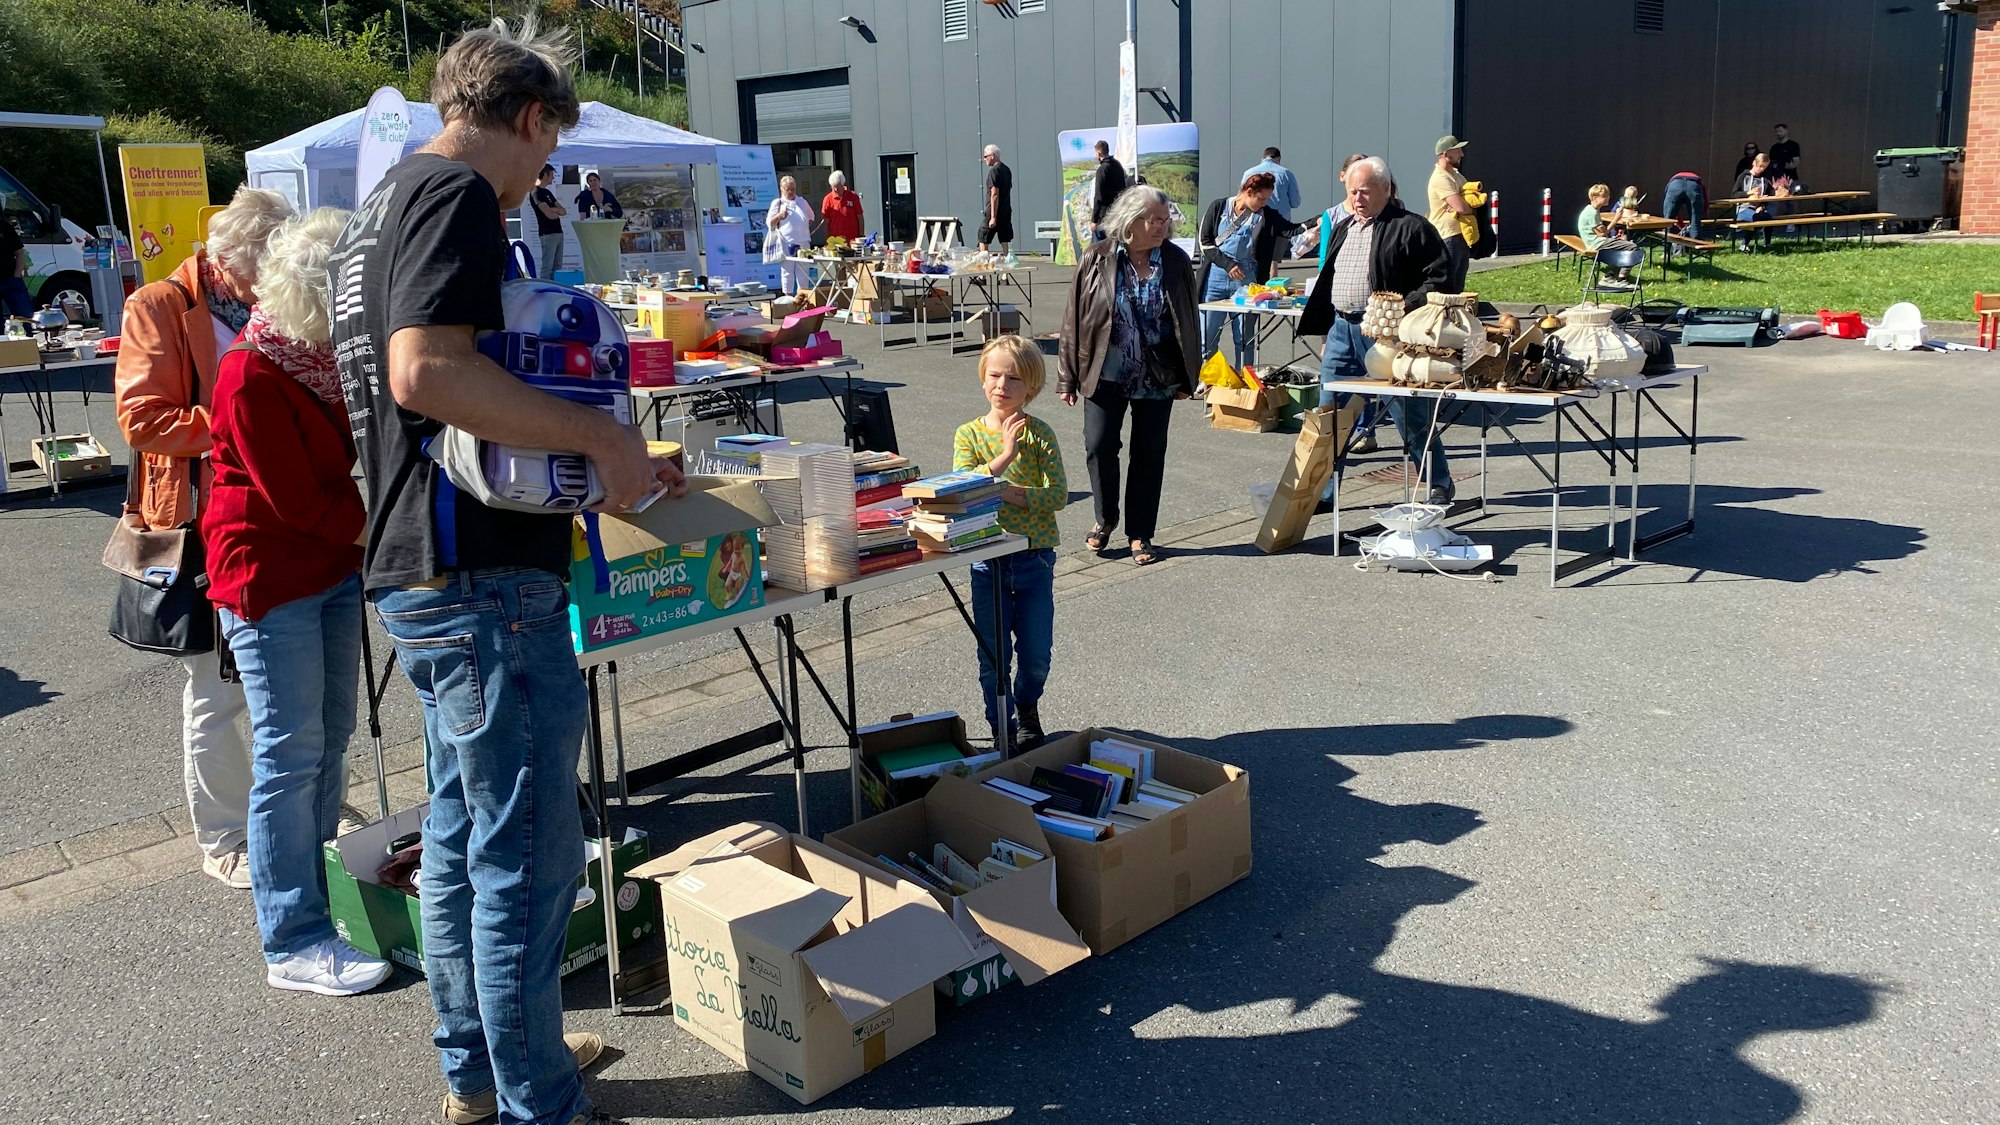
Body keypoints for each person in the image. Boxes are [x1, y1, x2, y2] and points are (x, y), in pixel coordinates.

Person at [331, 18, 681, 1125]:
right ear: (528, 118)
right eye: (545, 150)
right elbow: (425, 371)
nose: (542, 175)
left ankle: (483, 1071)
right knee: (522, 858)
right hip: (479, 573)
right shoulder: (453, 197)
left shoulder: (375, 209)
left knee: (456, 841)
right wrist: (602, 441)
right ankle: (539, 1096)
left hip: (417, 567)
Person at [201, 207, 390, 997]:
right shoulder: (251, 372)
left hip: (329, 565)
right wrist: (392, 530)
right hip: (268, 575)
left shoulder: (316, 360)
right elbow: (298, 503)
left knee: (330, 734)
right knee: (289, 751)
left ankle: (320, 894)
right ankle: (293, 937)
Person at [114, 184, 294, 890]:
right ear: (228, 260)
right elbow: (142, 418)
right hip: (203, 524)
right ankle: (223, 834)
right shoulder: (158, 305)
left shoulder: (260, 303)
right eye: (265, 267)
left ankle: (294, 805)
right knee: (217, 690)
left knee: (287, 681)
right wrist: (243, 423)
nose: (272, 282)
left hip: (274, 512)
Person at [1058, 186, 1200, 569]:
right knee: (1099, 446)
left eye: (1166, 220)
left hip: (1157, 375)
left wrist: (1190, 374)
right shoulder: (1096, 257)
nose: (1162, 227)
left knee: (1149, 456)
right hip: (1105, 372)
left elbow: (1188, 319)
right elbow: (1074, 319)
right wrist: (1066, 376)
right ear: (1130, 220)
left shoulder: (1175, 261)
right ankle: (1105, 518)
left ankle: (1140, 532)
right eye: (1154, 220)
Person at [1299, 156, 1455, 502]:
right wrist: (1326, 331)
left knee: (1406, 414)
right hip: (1342, 329)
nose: (1358, 198)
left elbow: (1443, 278)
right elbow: (1333, 280)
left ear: (1385, 189)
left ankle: (1439, 482)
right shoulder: (1344, 226)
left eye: (1365, 191)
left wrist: (1403, 306)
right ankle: (1323, 493)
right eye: (1353, 191)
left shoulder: (1411, 227)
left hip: (1388, 337)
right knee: (1330, 416)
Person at [953, 335, 1065, 749]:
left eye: (1014, 378)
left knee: (1036, 655)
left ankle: (1027, 706)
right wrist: (1004, 456)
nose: (1002, 385)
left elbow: (1057, 496)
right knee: (994, 655)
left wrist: (1006, 491)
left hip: (1034, 558)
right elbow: (961, 490)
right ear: (983, 378)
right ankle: (1001, 722)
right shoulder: (968, 434)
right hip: (988, 561)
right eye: (995, 375)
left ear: (1031, 388)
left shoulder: (1041, 434)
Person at [1196, 172, 1302, 369]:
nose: (1264, 203)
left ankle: (1246, 377)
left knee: (1245, 337)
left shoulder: (1266, 215)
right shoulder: (1218, 206)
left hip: (1246, 277)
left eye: (1267, 199)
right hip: (1215, 276)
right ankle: (1208, 379)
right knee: (1207, 337)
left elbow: (1289, 229)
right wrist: (1228, 264)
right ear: (1248, 191)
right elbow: (1205, 243)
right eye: (1261, 198)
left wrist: (1318, 222)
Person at [1427, 135, 1475, 292]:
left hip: (1460, 236)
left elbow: (1473, 197)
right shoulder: (1440, 178)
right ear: (1445, 154)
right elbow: (1462, 207)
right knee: (1448, 288)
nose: (1462, 154)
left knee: (1458, 287)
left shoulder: (1455, 175)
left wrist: (1464, 203)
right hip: (1447, 237)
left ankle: (1455, 315)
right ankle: (1445, 316)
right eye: (1458, 150)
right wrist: (1462, 204)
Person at [1315, 153, 1372, 269]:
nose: (1357, 179)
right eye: (1353, 173)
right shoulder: (1331, 215)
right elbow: (1324, 260)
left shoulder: (1376, 212)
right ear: (1342, 176)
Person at [1577, 183, 1639, 289]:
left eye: (1608, 195)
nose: (1608, 198)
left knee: (1623, 244)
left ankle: (1610, 276)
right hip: (1596, 243)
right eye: (1605, 196)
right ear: (1595, 198)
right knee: (1632, 247)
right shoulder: (1592, 213)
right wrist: (1616, 219)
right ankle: (1620, 279)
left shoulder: (1592, 210)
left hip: (1595, 241)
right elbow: (1602, 234)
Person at [763, 175, 816, 297]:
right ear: (781, 188)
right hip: (786, 242)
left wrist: (804, 228)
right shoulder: (778, 203)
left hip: (803, 242)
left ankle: (803, 298)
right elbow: (769, 223)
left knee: (803, 272)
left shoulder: (802, 201)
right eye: (788, 189)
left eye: (793, 189)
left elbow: (811, 217)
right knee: (787, 272)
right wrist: (780, 216)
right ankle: (788, 298)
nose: (791, 192)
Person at [1733, 151, 1786, 251]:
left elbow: (1771, 194)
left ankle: (1767, 244)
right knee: (1754, 218)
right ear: (1754, 163)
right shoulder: (1743, 177)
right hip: (1743, 208)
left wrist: (1762, 205)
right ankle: (1744, 244)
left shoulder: (1764, 179)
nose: (1761, 169)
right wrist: (1748, 193)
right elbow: (1734, 194)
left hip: (1758, 208)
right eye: (1760, 166)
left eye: (1764, 167)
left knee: (1768, 218)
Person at [1241, 146, 1301, 222]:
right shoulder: (1286, 174)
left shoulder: (1248, 173)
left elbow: (1242, 198)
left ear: (1262, 158)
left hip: (1254, 221)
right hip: (1280, 222)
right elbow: (1295, 203)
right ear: (1278, 158)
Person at [529, 164, 565, 277]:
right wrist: (555, 211)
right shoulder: (536, 192)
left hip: (558, 232)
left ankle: (556, 290)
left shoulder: (547, 192)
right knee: (547, 266)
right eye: (552, 175)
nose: (553, 178)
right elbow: (549, 215)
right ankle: (546, 291)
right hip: (547, 233)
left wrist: (553, 209)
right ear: (545, 174)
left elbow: (563, 211)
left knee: (558, 266)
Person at [1088, 140, 1128, 241]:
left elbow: (1098, 196)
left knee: (1098, 249)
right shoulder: (1117, 165)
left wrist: (1094, 220)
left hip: (1104, 216)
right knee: (1113, 246)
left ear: (1098, 152)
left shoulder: (1102, 170)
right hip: (1117, 213)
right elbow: (1123, 189)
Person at [978, 143, 1014, 255]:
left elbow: (994, 194)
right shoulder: (1006, 170)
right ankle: (1006, 265)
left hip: (993, 211)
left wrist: (992, 217)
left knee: (983, 237)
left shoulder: (994, 171)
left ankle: (983, 266)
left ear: (992, 156)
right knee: (1004, 239)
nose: (984, 159)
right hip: (1006, 210)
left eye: (985, 156)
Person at [1661, 170, 1708, 241]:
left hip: (1675, 184)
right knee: (1695, 221)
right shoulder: (1700, 182)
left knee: (1668, 220)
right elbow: (1705, 202)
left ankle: (1668, 247)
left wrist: (1681, 225)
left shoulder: (1670, 183)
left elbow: (1671, 209)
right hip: (1694, 184)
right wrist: (1699, 215)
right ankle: (1695, 248)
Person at [820, 170, 863, 242]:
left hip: (852, 239)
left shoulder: (853, 196)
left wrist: (861, 235)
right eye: (833, 187)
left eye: (837, 187)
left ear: (843, 184)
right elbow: (826, 221)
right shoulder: (827, 199)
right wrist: (827, 238)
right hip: (836, 240)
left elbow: (860, 216)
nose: (835, 190)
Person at [1, 216, 31, 318]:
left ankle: (29, 333)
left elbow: (19, 252)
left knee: (25, 317)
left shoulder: (4, 227)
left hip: (10, 279)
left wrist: (17, 276)